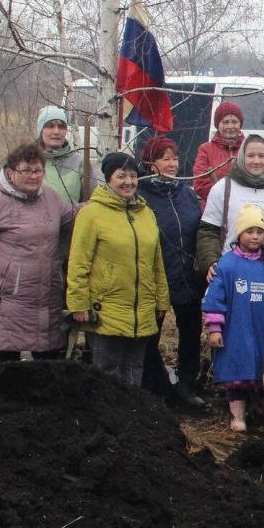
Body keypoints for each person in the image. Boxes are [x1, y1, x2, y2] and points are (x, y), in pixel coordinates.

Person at [0, 141, 72, 363]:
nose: (34, 176)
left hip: (44, 294)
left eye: (38, 170)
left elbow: (72, 216)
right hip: (7, 297)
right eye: (26, 170)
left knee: (47, 360)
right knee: (8, 361)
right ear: (10, 172)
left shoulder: (50, 198)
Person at [66, 152, 167, 387]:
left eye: (133, 176)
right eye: (121, 176)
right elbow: (78, 262)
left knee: (134, 369)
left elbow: (157, 263)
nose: (128, 181)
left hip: (141, 310)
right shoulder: (91, 214)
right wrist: (78, 304)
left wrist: (162, 300)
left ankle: (131, 418)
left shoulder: (146, 214)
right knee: (107, 372)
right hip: (106, 310)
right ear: (108, 179)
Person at [137, 135, 206, 408]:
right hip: (157, 278)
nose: (172, 164)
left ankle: (186, 386)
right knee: (150, 337)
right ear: (150, 162)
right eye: (165, 158)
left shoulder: (187, 194)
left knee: (190, 334)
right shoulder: (141, 197)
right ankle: (156, 387)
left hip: (187, 276)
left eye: (175, 158)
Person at [203, 203, 264, 432]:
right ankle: (238, 416)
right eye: (250, 231)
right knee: (237, 371)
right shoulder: (227, 264)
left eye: (259, 232)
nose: (255, 237)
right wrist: (215, 328)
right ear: (240, 234)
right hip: (236, 329)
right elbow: (216, 298)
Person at [197, 133, 264, 277]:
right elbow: (208, 231)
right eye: (251, 155)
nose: (256, 161)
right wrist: (211, 261)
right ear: (242, 156)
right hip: (229, 271)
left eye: (261, 156)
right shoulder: (223, 188)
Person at [35, 106, 94, 204]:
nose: (56, 131)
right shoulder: (28, 161)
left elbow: (93, 200)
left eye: (61, 126)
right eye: (50, 126)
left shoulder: (79, 162)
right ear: (41, 130)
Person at [192, 101, 245, 206]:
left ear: (240, 124)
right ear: (218, 125)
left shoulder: (248, 147)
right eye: (225, 122)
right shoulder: (206, 149)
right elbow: (200, 183)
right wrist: (222, 199)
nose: (230, 126)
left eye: (234, 122)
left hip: (244, 208)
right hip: (214, 209)